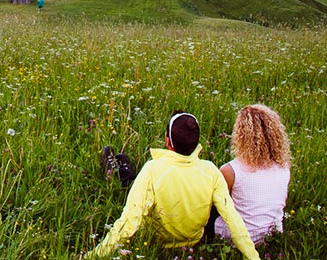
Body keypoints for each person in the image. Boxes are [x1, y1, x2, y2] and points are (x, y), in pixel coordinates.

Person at [86, 112, 259, 260]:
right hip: (194, 240)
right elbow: (233, 219)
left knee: (130, 181)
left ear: (168, 142)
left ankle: (118, 168)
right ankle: (121, 165)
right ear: (197, 143)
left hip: (157, 240)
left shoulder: (152, 169)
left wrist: (93, 255)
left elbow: (129, 222)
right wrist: (253, 256)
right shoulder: (210, 170)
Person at [213, 104, 291, 245]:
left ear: (241, 135)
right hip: (272, 237)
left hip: (237, 239)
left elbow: (219, 207)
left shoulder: (231, 171)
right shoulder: (283, 167)